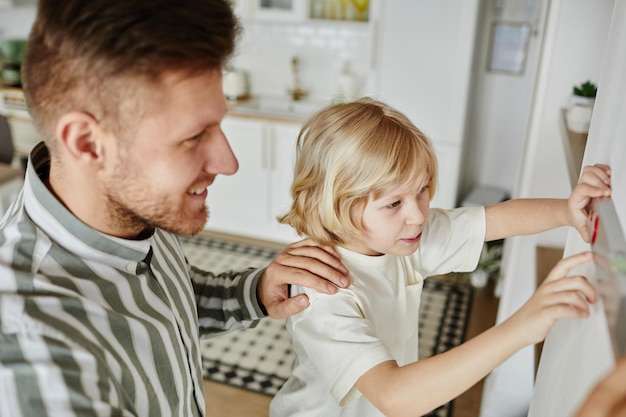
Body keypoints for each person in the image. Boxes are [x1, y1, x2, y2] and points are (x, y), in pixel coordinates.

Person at [0, 1, 350, 416]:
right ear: (88, 144)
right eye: (192, 137)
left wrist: (254, 292)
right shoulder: (35, 355)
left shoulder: (130, 209)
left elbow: (161, 298)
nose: (228, 162)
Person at [270, 98, 611, 417]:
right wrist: (522, 327)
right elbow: (394, 396)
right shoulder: (321, 290)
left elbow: (499, 218)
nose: (418, 215)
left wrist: (567, 211)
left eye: (422, 190)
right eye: (393, 203)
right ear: (336, 205)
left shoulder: (402, 238)